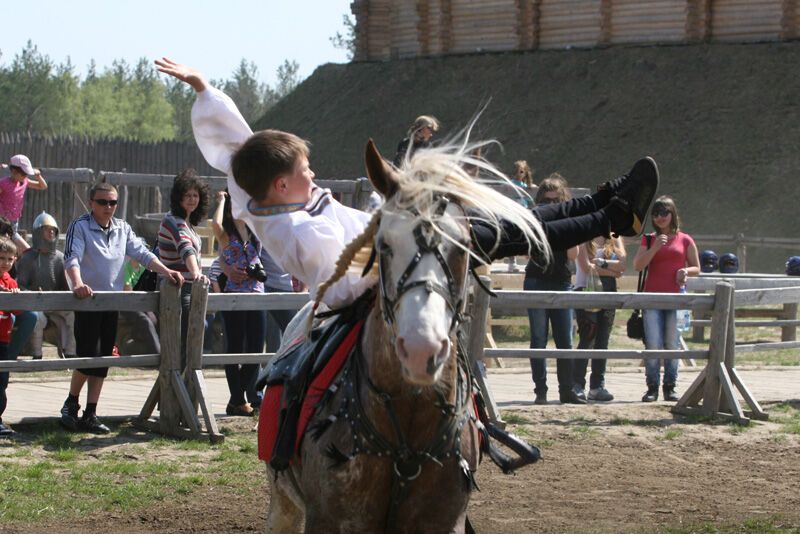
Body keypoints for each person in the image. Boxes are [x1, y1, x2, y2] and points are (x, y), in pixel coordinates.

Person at [156, 57, 657, 314]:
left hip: (401, 241)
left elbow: (240, 145)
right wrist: (400, 244)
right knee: (505, 234)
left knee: (496, 222)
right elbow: (345, 284)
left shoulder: (258, 192)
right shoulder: (296, 233)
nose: (313, 174)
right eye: (305, 169)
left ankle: (605, 199)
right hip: (397, 268)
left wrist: (204, 88)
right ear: (283, 183)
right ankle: (613, 217)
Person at [60, 182, 183, 433]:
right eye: (102, 202)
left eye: (112, 202)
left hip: (112, 303)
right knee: (87, 356)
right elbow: (71, 257)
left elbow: (143, 255)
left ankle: (91, 412)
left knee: (103, 359)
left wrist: (167, 270)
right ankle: (71, 403)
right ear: (91, 202)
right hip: (88, 302)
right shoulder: (80, 226)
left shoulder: (122, 228)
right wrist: (78, 283)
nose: (108, 207)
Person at [633, 196, 700, 402]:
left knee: (672, 343)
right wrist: (654, 248)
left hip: (676, 298)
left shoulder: (685, 239)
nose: (660, 217)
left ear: (673, 214)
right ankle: (652, 386)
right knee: (653, 343)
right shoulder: (649, 239)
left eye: (664, 213)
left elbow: (697, 267)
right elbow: (637, 265)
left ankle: (670, 386)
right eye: (656, 214)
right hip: (652, 297)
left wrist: (685, 271)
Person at [525, 175, 582, 405]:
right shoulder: (533, 219)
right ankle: (541, 390)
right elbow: (529, 252)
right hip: (537, 279)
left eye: (556, 201)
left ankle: (566, 390)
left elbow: (573, 255)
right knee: (538, 338)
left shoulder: (569, 217)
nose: (551, 205)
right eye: (546, 201)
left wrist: (566, 225)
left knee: (565, 340)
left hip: (562, 281)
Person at [211, 189, 266, 416]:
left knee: (255, 350)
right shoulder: (226, 235)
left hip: (257, 293)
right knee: (234, 348)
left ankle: (237, 398)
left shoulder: (255, 232)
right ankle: (237, 399)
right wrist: (223, 200)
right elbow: (215, 224)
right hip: (233, 295)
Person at [158, 170, 210, 367]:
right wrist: (196, 273)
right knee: (184, 342)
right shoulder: (173, 221)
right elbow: (185, 248)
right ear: (178, 197)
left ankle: (186, 389)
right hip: (178, 290)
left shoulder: (188, 223)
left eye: (195, 195)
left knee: (194, 338)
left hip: (191, 288)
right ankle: (179, 389)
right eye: (187, 195)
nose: (191, 199)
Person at [16, 212, 76, 359]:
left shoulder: (60, 258)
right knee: (38, 319)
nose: (51, 232)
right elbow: (20, 285)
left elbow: (65, 287)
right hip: (34, 303)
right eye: (46, 229)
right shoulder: (28, 258)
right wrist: (33, 294)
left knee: (72, 314)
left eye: (53, 230)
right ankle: (37, 355)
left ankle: (70, 353)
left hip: (55, 302)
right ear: (38, 232)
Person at [573, 235, 626, 402]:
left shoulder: (615, 237)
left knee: (603, 340)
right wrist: (612, 269)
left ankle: (597, 386)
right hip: (586, 289)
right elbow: (586, 267)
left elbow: (623, 267)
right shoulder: (583, 236)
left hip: (609, 292)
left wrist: (601, 263)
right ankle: (577, 384)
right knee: (588, 338)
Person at [0, 155, 48, 251]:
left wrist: (38, 176)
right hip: (2, 221)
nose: (26, 176)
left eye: (27, 174)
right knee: (24, 249)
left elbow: (42, 186)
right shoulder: (3, 183)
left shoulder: (25, 181)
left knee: (13, 248)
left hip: (14, 221)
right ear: (14, 171)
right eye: (23, 174)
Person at [0, 237, 20, 437]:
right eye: (1, 258)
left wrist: (15, 296)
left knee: (2, 380)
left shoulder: (11, 282)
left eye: (9, 259)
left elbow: (19, 311)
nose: (5, 263)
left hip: (3, 339)